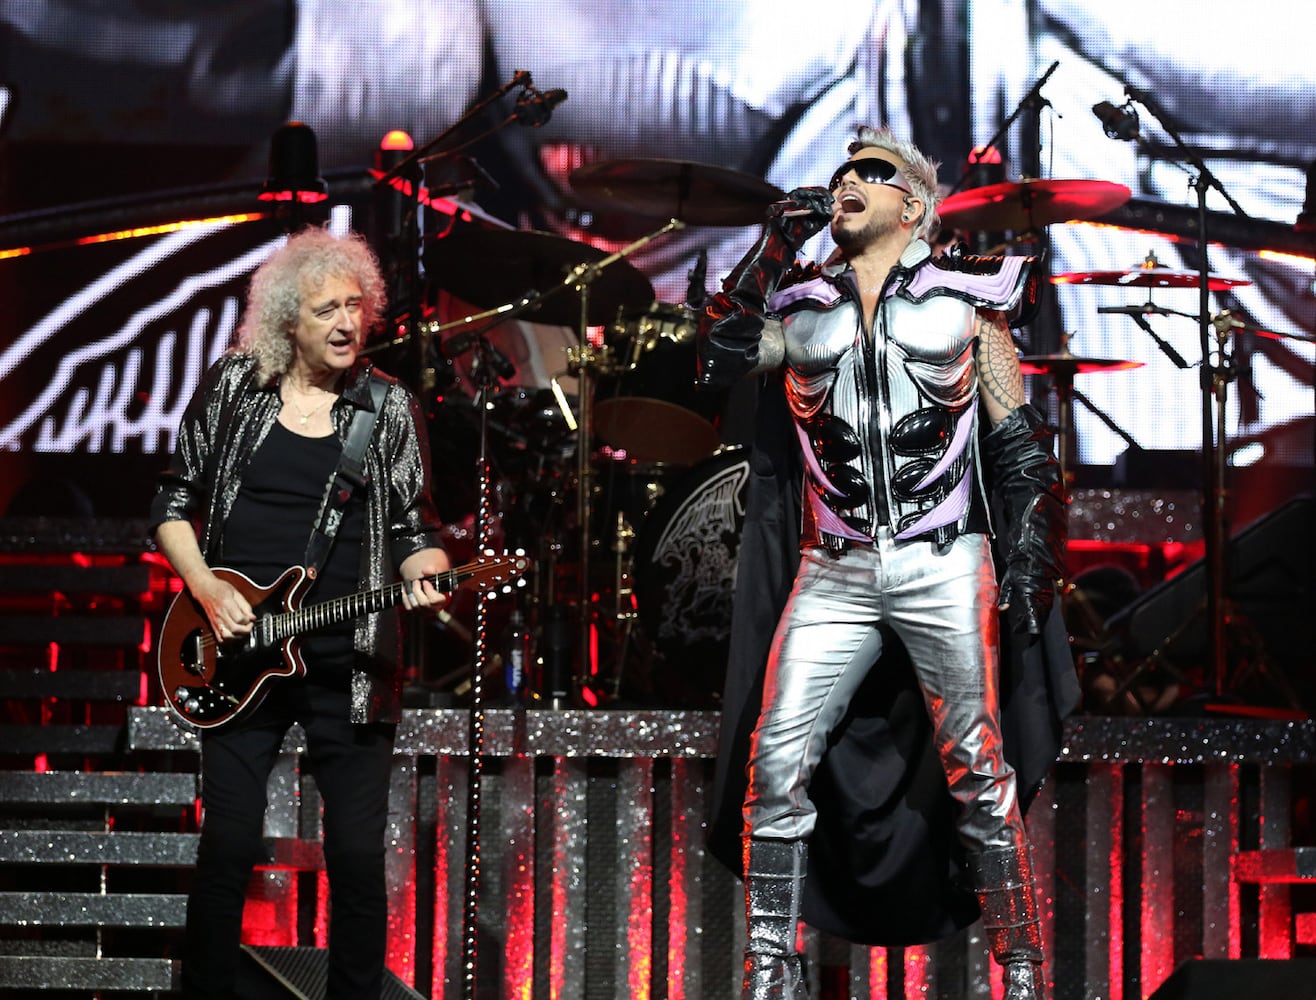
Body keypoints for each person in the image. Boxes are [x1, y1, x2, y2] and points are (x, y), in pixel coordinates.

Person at [697, 127, 1073, 1000]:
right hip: (834, 567)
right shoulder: (799, 308)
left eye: (873, 171)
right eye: (842, 173)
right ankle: (771, 969)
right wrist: (772, 246)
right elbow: (718, 355)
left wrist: (1031, 559)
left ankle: (1021, 965)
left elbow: (1020, 445)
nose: (848, 180)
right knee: (774, 759)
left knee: (977, 768)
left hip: (946, 560)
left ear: (914, 205)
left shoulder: (968, 302)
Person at [149, 226, 450, 999]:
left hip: (349, 664)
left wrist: (428, 569)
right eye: (327, 310)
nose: (347, 323)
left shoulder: (388, 408)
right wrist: (206, 589)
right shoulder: (234, 386)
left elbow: (414, 528)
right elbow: (173, 503)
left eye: (355, 306)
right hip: (235, 656)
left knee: (355, 859)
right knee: (226, 847)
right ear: (289, 319)